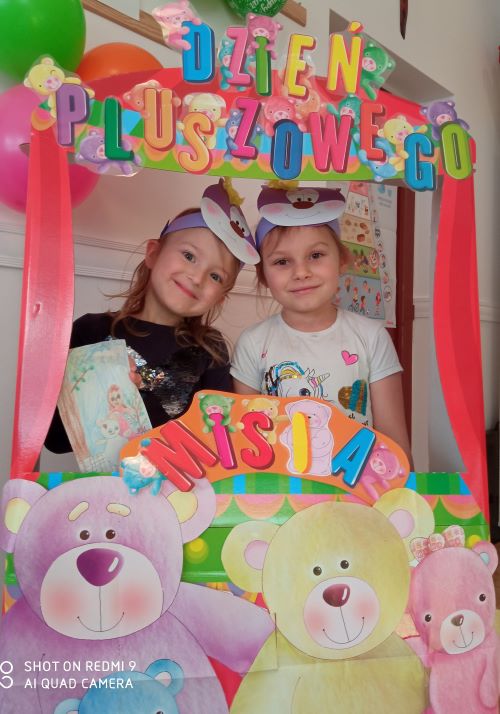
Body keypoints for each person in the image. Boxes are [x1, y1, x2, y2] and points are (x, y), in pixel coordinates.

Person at [45, 178, 260, 454]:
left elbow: (220, 442)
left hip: (180, 480)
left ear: (220, 296)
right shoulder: (91, 330)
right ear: (153, 254)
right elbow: (55, 440)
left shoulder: (211, 350)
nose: (197, 277)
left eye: (216, 276)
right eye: (189, 256)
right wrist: (105, 385)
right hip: (106, 481)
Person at [230, 183, 412, 463]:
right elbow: (247, 443)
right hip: (281, 486)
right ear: (263, 275)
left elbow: (395, 445)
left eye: (315, 256)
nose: (301, 272)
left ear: (342, 260)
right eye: (282, 262)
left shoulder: (371, 337)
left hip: (357, 485)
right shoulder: (252, 343)